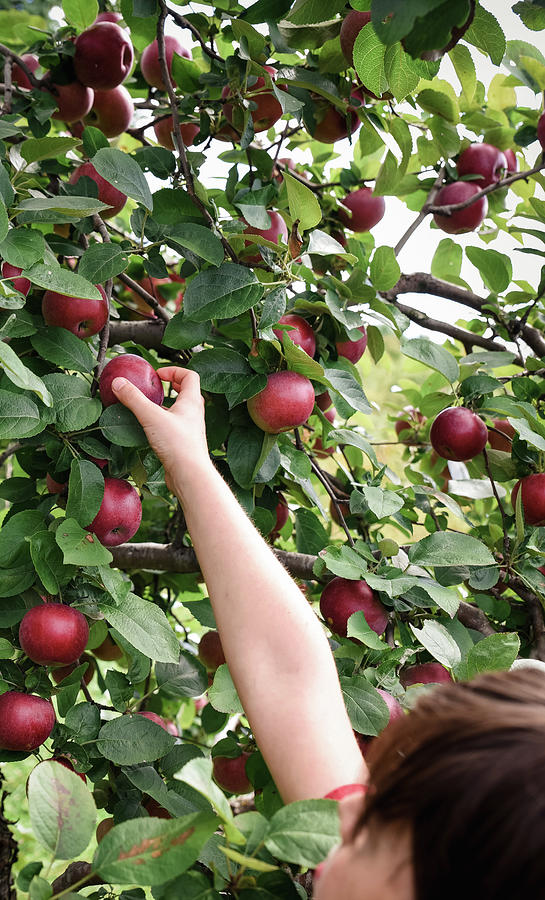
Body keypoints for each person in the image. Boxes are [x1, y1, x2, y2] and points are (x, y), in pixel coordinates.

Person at [111, 366, 545, 900]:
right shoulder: (358, 850)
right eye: (380, 804)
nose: (349, 831)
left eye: (387, 833)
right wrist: (190, 465)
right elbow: (289, 674)